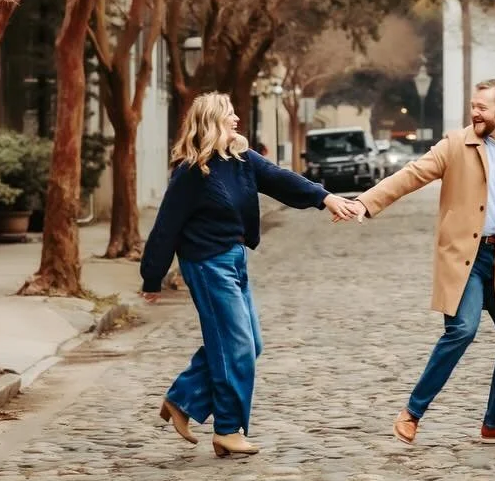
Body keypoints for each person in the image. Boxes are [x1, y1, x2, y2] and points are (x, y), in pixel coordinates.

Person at [141, 92, 357, 458]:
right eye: (229, 113)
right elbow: (166, 226)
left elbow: (281, 179)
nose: (237, 118)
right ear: (211, 122)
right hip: (207, 265)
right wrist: (152, 277)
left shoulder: (240, 159)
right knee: (236, 345)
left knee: (250, 343)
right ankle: (228, 429)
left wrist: (325, 198)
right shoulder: (193, 172)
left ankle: (182, 398)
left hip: (234, 260)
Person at [345, 79, 495, 446]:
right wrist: (366, 202)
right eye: (473, 106)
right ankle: (411, 413)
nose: (474, 112)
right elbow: (411, 175)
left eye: (482, 107)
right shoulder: (456, 145)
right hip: (465, 259)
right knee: (462, 329)